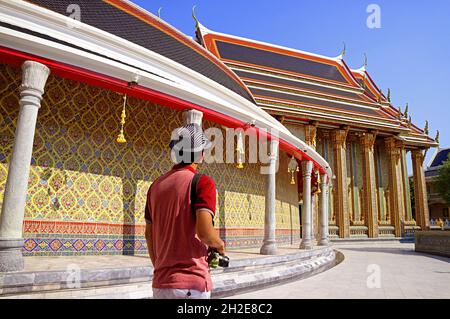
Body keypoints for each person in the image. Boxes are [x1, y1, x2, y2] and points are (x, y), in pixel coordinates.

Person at [144, 122, 225, 299]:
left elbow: (149, 235)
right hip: (191, 285)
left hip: (161, 285)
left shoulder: (155, 186)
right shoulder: (203, 183)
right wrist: (219, 245)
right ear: (200, 155)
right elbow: (204, 234)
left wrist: (161, 267)